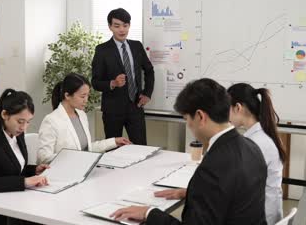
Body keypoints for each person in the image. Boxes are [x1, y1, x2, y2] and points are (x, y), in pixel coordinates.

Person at [111, 78, 268, 224]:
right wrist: (191, 193)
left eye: (187, 119)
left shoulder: (214, 166)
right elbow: (230, 194)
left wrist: (149, 213)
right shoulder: (252, 147)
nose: (189, 127)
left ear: (200, 116)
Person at [0, 89, 49, 225]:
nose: (24, 127)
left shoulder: (17, 133)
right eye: (20, 121)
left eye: (28, 122)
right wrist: (24, 182)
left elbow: (13, 168)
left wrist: (34, 170)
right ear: (5, 114)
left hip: (14, 198)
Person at [91, 8, 154, 145]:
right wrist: (112, 83)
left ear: (129, 26)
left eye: (125, 25)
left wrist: (147, 93)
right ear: (110, 27)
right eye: (117, 26)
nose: (122, 30)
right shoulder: (102, 50)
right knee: (113, 150)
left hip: (135, 107)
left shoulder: (137, 46)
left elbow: (149, 70)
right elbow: (95, 82)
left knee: (140, 148)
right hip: (112, 110)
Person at [37, 73, 131, 164]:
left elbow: (87, 148)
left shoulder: (81, 115)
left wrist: (114, 141)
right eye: (82, 96)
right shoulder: (51, 120)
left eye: (87, 96)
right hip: (63, 173)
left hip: (82, 167)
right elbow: (44, 158)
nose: (86, 100)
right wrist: (73, 156)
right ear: (67, 96)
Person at [228, 83, 286, 224]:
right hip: (270, 211)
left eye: (226, 109)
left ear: (238, 107)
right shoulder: (263, 134)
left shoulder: (255, 142)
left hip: (262, 216)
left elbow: (235, 186)